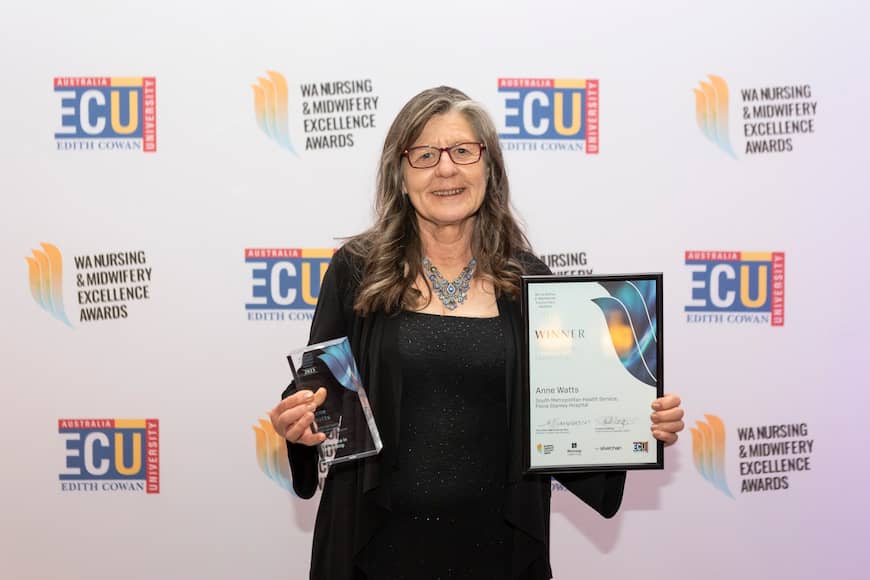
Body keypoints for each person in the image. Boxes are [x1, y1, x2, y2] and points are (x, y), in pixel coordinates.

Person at [269, 86, 685, 580]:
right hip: (376, 548)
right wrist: (298, 424)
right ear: (400, 176)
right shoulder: (357, 272)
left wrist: (635, 421)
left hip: (500, 550)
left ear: (489, 168)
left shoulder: (531, 282)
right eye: (424, 155)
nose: (446, 169)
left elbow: (566, 415)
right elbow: (318, 399)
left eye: (464, 151)